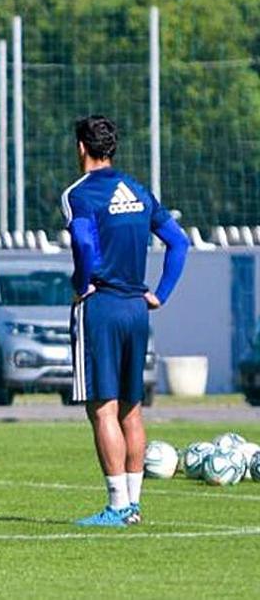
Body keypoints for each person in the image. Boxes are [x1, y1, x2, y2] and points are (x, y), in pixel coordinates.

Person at [62, 115, 189, 527]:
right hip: (136, 307)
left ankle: (117, 506)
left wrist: (82, 283)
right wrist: (161, 293)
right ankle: (133, 506)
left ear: (82, 146)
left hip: (101, 307)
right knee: (131, 409)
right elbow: (179, 242)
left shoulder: (79, 195)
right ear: (111, 148)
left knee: (103, 409)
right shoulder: (137, 190)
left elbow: (82, 240)